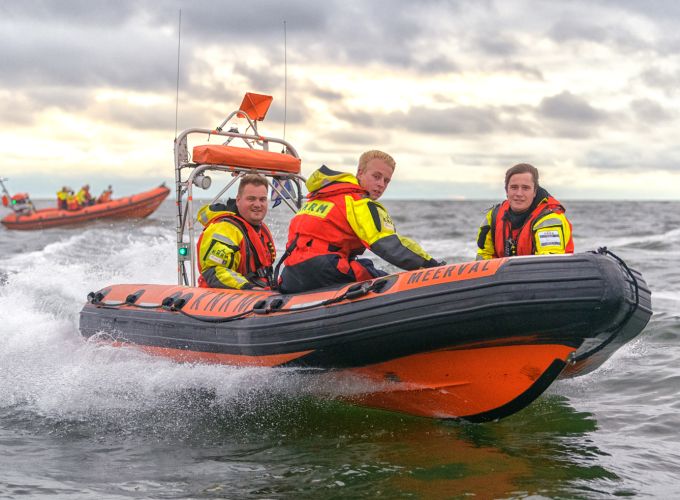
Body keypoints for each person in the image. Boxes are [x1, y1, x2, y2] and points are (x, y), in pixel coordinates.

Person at [279, 150, 442, 293]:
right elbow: (389, 245)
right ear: (360, 173)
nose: (381, 184)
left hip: (290, 277)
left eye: (386, 181)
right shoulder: (358, 203)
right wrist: (431, 266)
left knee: (361, 267)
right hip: (325, 270)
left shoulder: (320, 198)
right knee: (383, 279)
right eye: (376, 177)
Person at [476, 163, 573, 260]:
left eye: (525, 188)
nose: (519, 193)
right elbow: (483, 257)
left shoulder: (549, 220)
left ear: (534, 192)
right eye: (514, 187)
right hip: (505, 274)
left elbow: (549, 263)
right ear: (506, 191)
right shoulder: (493, 217)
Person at [196, 174, 276, 290]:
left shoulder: (260, 229)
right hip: (225, 298)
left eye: (262, 199)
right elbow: (215, 270)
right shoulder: (225, 229)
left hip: (260, 293)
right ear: (238, 200)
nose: (258, 205)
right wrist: (248, 287)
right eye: (251, 199)